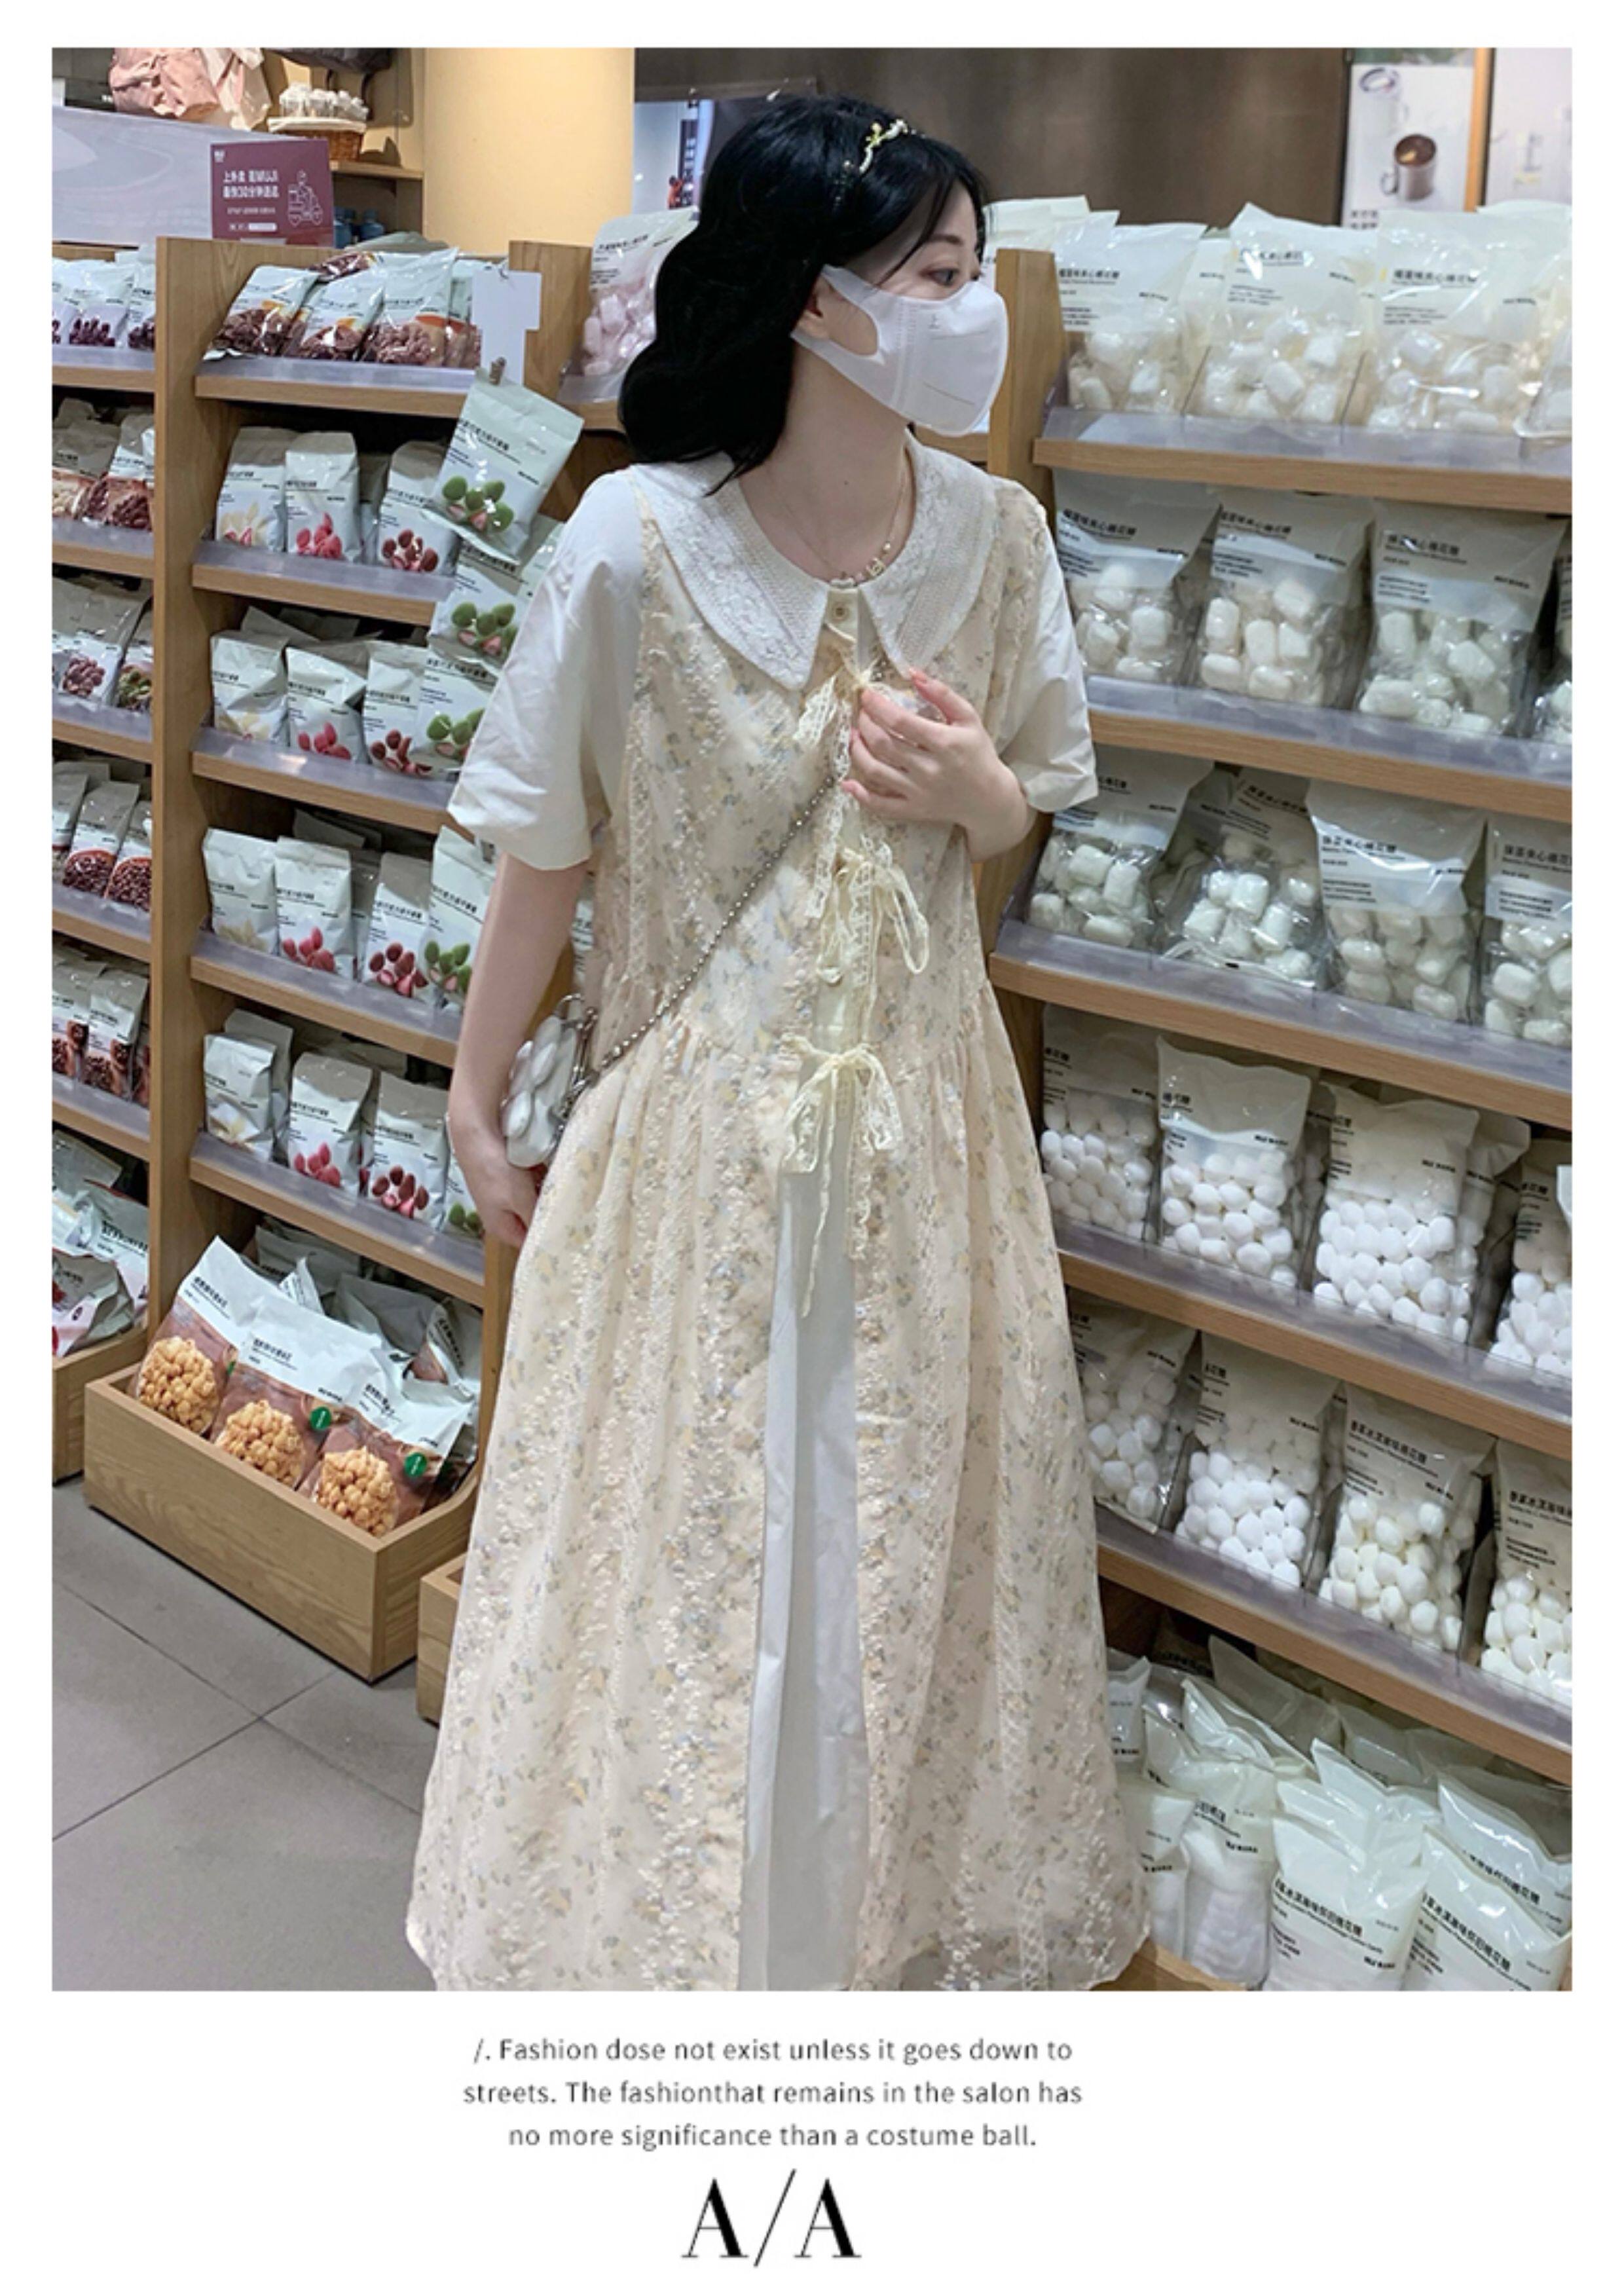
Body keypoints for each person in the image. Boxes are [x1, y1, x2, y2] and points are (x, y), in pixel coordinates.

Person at [408, 93, 1145, 1992]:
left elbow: (1022, 814)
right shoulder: (636, 544)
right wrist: (477, 1097)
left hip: (926, 1132)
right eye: (938, 275)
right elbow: (546, 848)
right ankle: (676, 1954)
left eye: (970, 273)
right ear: (818, 302)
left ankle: (861, 1948)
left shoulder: (994, 540)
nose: (972, 311)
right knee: (690, 1536)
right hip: (694, 1152)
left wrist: (981, 794)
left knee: (896, 1533)